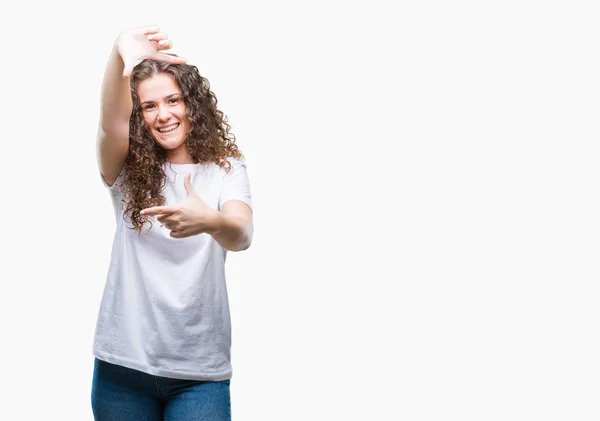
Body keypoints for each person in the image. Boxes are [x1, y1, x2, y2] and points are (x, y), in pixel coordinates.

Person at [90, 25, 253, 421]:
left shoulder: (225, 169)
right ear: (139, 115)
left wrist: (210, 221)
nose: (163, 115)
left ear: (191, 104)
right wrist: (119, 53)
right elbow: (111, 123)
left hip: (199, 375)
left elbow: (242, 233)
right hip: (122, 369)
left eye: (173, 100)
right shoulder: (126, 169)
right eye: (148, 106)